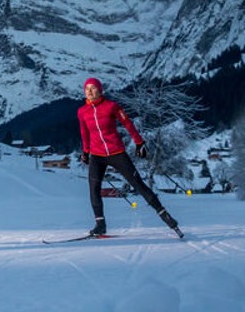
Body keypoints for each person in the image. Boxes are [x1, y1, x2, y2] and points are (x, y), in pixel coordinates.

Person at [77, 77, 182, 237]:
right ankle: (100, 224)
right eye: (87, 89)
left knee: (138, 184)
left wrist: (139, 143)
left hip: (116, 152)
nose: (90, 92)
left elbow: (127, 124)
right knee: (93, 190)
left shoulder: (111, 106)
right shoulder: (82, 111)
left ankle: (165, 216)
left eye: (93, 88)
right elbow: (85, 133)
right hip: (96, 155)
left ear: (100, 90)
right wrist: (85, 151)